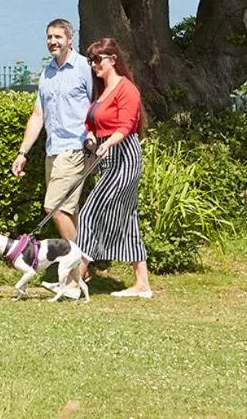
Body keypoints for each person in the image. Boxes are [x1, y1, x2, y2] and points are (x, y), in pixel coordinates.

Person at [76, 37, 152, 298]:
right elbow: (91, 123)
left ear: (113, 59)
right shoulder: (102, 91)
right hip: (105, 155)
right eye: (90, 60)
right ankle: (142, 284)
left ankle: (77, 278)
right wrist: (90, 137)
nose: (94, 65)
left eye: (98, 59)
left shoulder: (125, 88)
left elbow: (127, 125)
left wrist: (108, 144)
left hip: (124, 157)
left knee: (89, 213)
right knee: (128, 219)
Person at [11, 19, 93, 243]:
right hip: (53, 150)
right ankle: (79, 270)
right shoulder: (46, 73)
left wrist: (94, 137)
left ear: (70, 39)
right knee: (67, 210)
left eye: (58, 37)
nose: (53, 41)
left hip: (76, 149)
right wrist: (22, 153)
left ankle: (77, 266)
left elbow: (98, 105)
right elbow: (38, 115)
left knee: (53, 207)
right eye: (49, 37)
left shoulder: (84, 67)